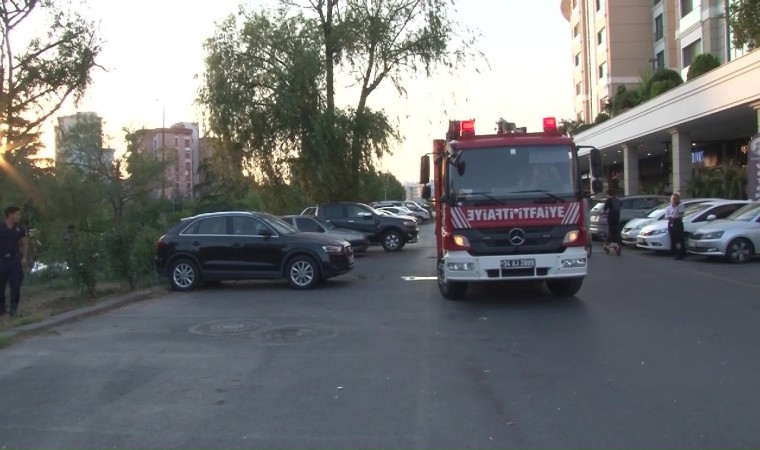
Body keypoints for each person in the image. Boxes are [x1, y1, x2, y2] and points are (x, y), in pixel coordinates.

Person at [0, 206, 29, 317]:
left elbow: (24, 243)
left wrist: (24, 257)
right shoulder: (1, 226)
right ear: (10, 215)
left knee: (15, 285)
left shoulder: (20, 229)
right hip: (2, 260)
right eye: (17, 214)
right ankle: (1, 308)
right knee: (1, 285)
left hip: (14, 260)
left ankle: (13, 309)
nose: (19, 216)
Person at [666, 193, 686, 260]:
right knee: (673, 238)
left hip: (677, 223)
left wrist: (673, 216)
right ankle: (675, 253)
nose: (674, 200)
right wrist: (671, 217)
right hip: (671, 223)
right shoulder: (668, 207)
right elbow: (666, 216)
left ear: (678, 199)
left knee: (679, 238)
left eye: (675, 199)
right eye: (673, 199)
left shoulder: (680, 206)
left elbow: (680, 215)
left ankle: (681, 253)